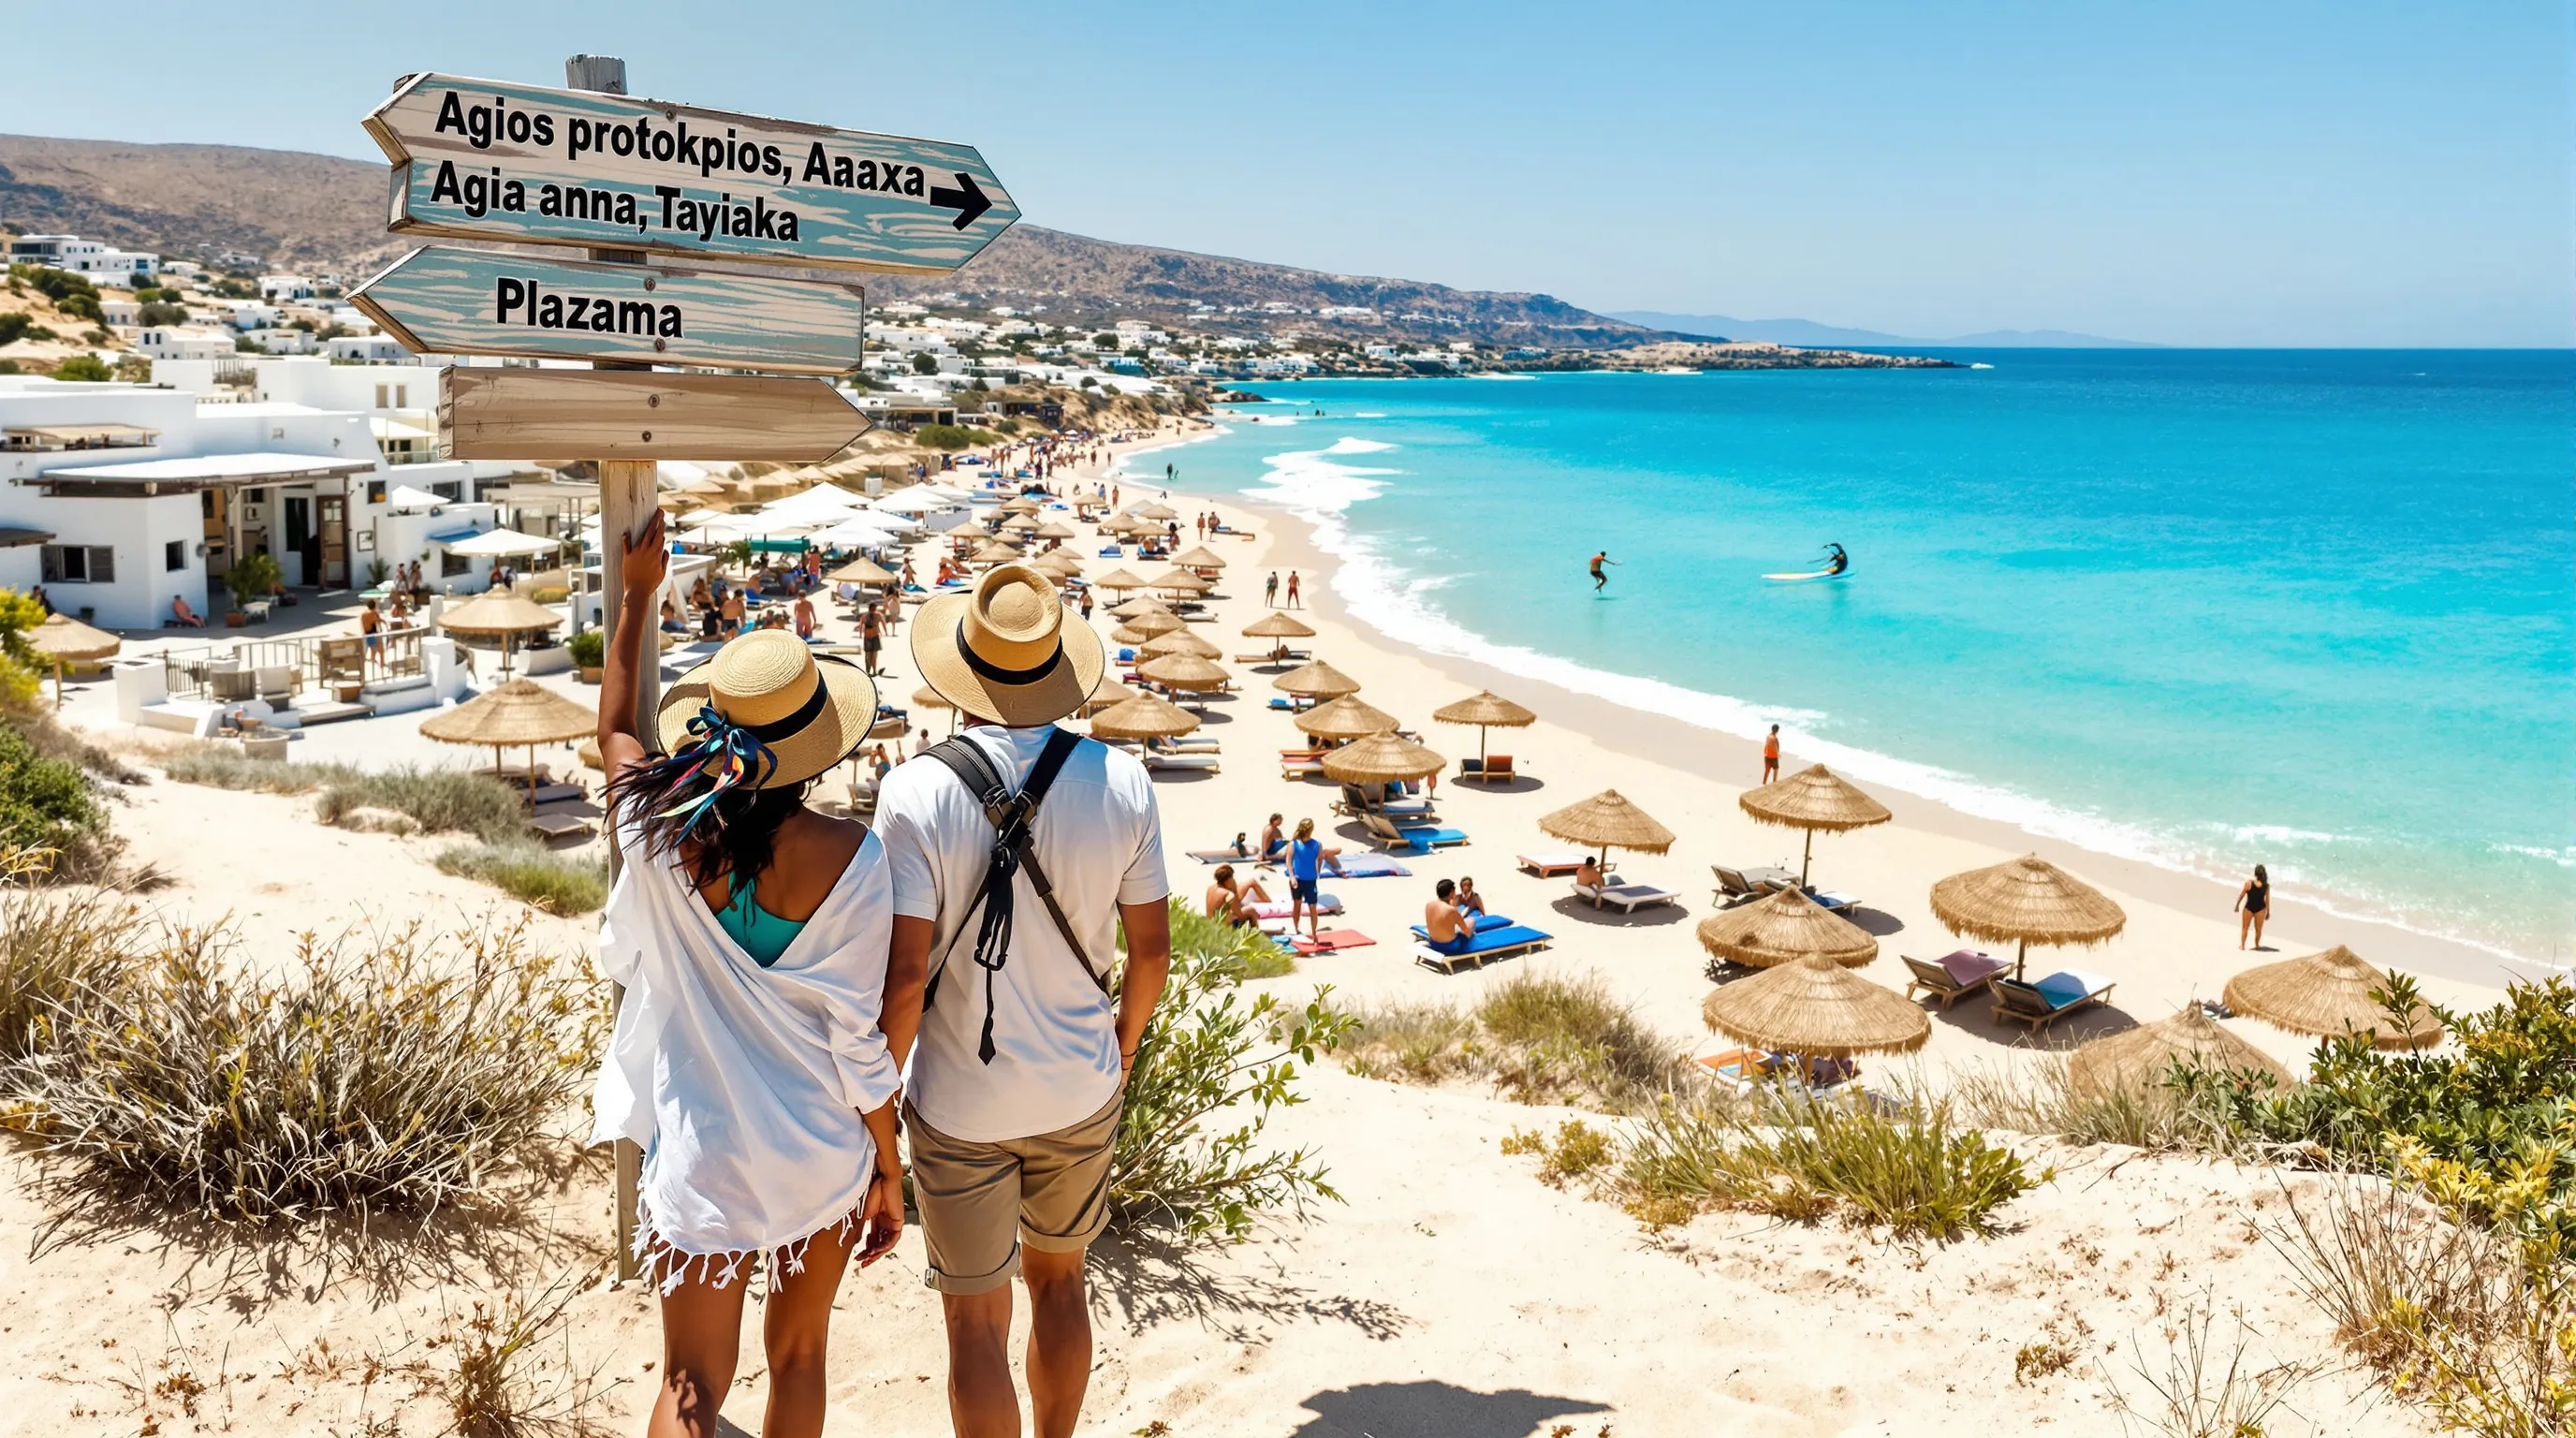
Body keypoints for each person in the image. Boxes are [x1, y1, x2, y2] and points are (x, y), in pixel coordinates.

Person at [590, 509, 903, 1438]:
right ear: (815, 747)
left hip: (704, 1151)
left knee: (690, 1382)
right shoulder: (855, 856)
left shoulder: (654, 832)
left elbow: (614, 723)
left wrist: (640, 595)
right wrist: (888, 1165)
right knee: (800, 1357)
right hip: (817, 1148)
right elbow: (858, 1034)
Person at [874, 563, 1173, 1438]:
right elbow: (1151, 953)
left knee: (974, 1321)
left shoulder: (914, 791)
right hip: (1079, 1087)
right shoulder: (1122, 781)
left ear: (962, 671)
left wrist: (879, 1108)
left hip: (961, 1099)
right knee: (1060, 1280)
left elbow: (902, 979)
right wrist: (1121, 1044)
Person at [1285, 817, 1342, 939]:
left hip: (1310, 880)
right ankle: (1296, 929)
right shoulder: (1294, 844)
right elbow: (1288, 860)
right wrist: (1292, 876)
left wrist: (1317, 871)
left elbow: (1320, 858)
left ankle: (1314, 933)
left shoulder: (1317, 844)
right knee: (1297, 904)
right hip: (1297, 879)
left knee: (1312, 906)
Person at [1205, 863, 1270, 925]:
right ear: (1228, 880)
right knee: (1251, 910)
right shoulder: (1228, 894)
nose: (1234, 880)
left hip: (1211, 923)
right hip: (1223, 926)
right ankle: (1253, 931)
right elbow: (1240, 915)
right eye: (1232, 878)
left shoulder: (1210, 888)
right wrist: (1234, 890)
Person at [1422, 879, 1473, 958]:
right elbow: (1466, 931)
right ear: (1451, 892)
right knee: (1471, 921)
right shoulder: (1451, 910)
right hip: (1450, 946)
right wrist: (1470, 932)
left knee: (1452, 925)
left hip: (1433, 942)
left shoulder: (1429, 905)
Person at [2234, 864, 2272, 950]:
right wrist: (2268, 912)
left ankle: (2242, 946)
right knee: (2258, 930)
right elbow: (2267, 900)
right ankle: (2257, 945)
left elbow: (2242, 895)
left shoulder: (2249, 883)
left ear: (2255, 873)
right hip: (2261, 909)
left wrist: (2237, 905)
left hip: (2249, 908)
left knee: (2245, 928)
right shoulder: (2266, 886)